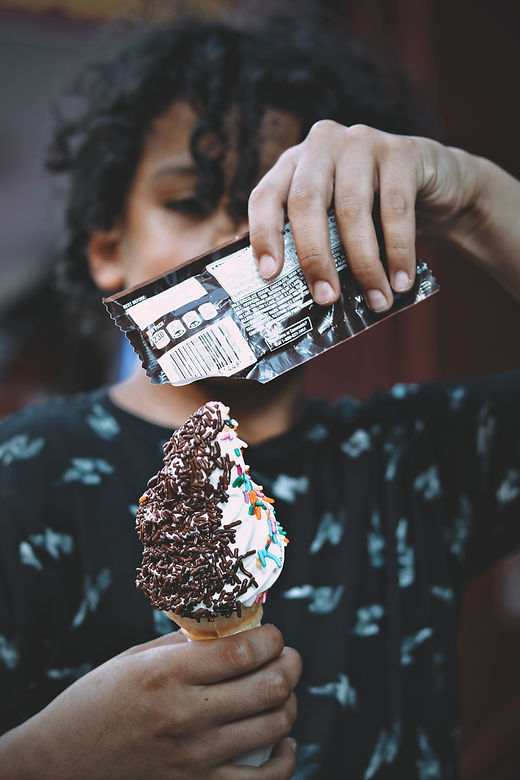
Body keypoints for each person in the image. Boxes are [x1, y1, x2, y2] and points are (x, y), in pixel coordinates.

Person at [1, 15, 519, 780]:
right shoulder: (22, 470)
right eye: (189, 200)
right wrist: (45, 760)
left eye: (283, 205)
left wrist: (476, 199)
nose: (238, 235)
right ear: (108, 249)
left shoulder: (419, 458)